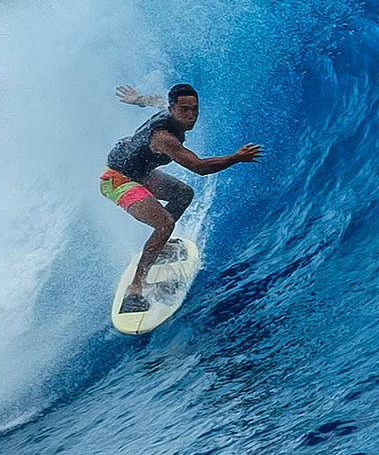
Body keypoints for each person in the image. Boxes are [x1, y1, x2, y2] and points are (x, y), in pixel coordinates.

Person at [102, 82, 263, 313]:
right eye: (184, 110)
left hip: (140, 172)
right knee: (165, 223)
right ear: (172, 109)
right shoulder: (164, 138)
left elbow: (154, 100)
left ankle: (161, 243)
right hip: (117, 179)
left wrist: (137, 98)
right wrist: (236, 157)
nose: (190, 115)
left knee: (183, 193)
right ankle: (135, 287)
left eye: (194, 109)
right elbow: (199, 166)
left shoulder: (166, 109)